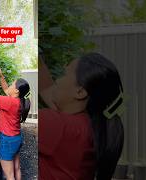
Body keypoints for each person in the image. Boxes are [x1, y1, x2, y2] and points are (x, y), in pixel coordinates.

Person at [39, 52, 125, 180]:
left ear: (80, 91)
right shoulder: (86, 126)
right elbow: (48, 89)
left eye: (64, 74)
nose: (57, 79)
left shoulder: (57, 126)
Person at [0, 67, 31, 180]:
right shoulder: (19, 101)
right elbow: (7, 90)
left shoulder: (10, 102)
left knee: (9, 176)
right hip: (16, 138)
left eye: (12, 84)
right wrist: (1, 76)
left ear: (16, 91)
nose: (10, 86)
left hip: (8, 140)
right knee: (17, 169)